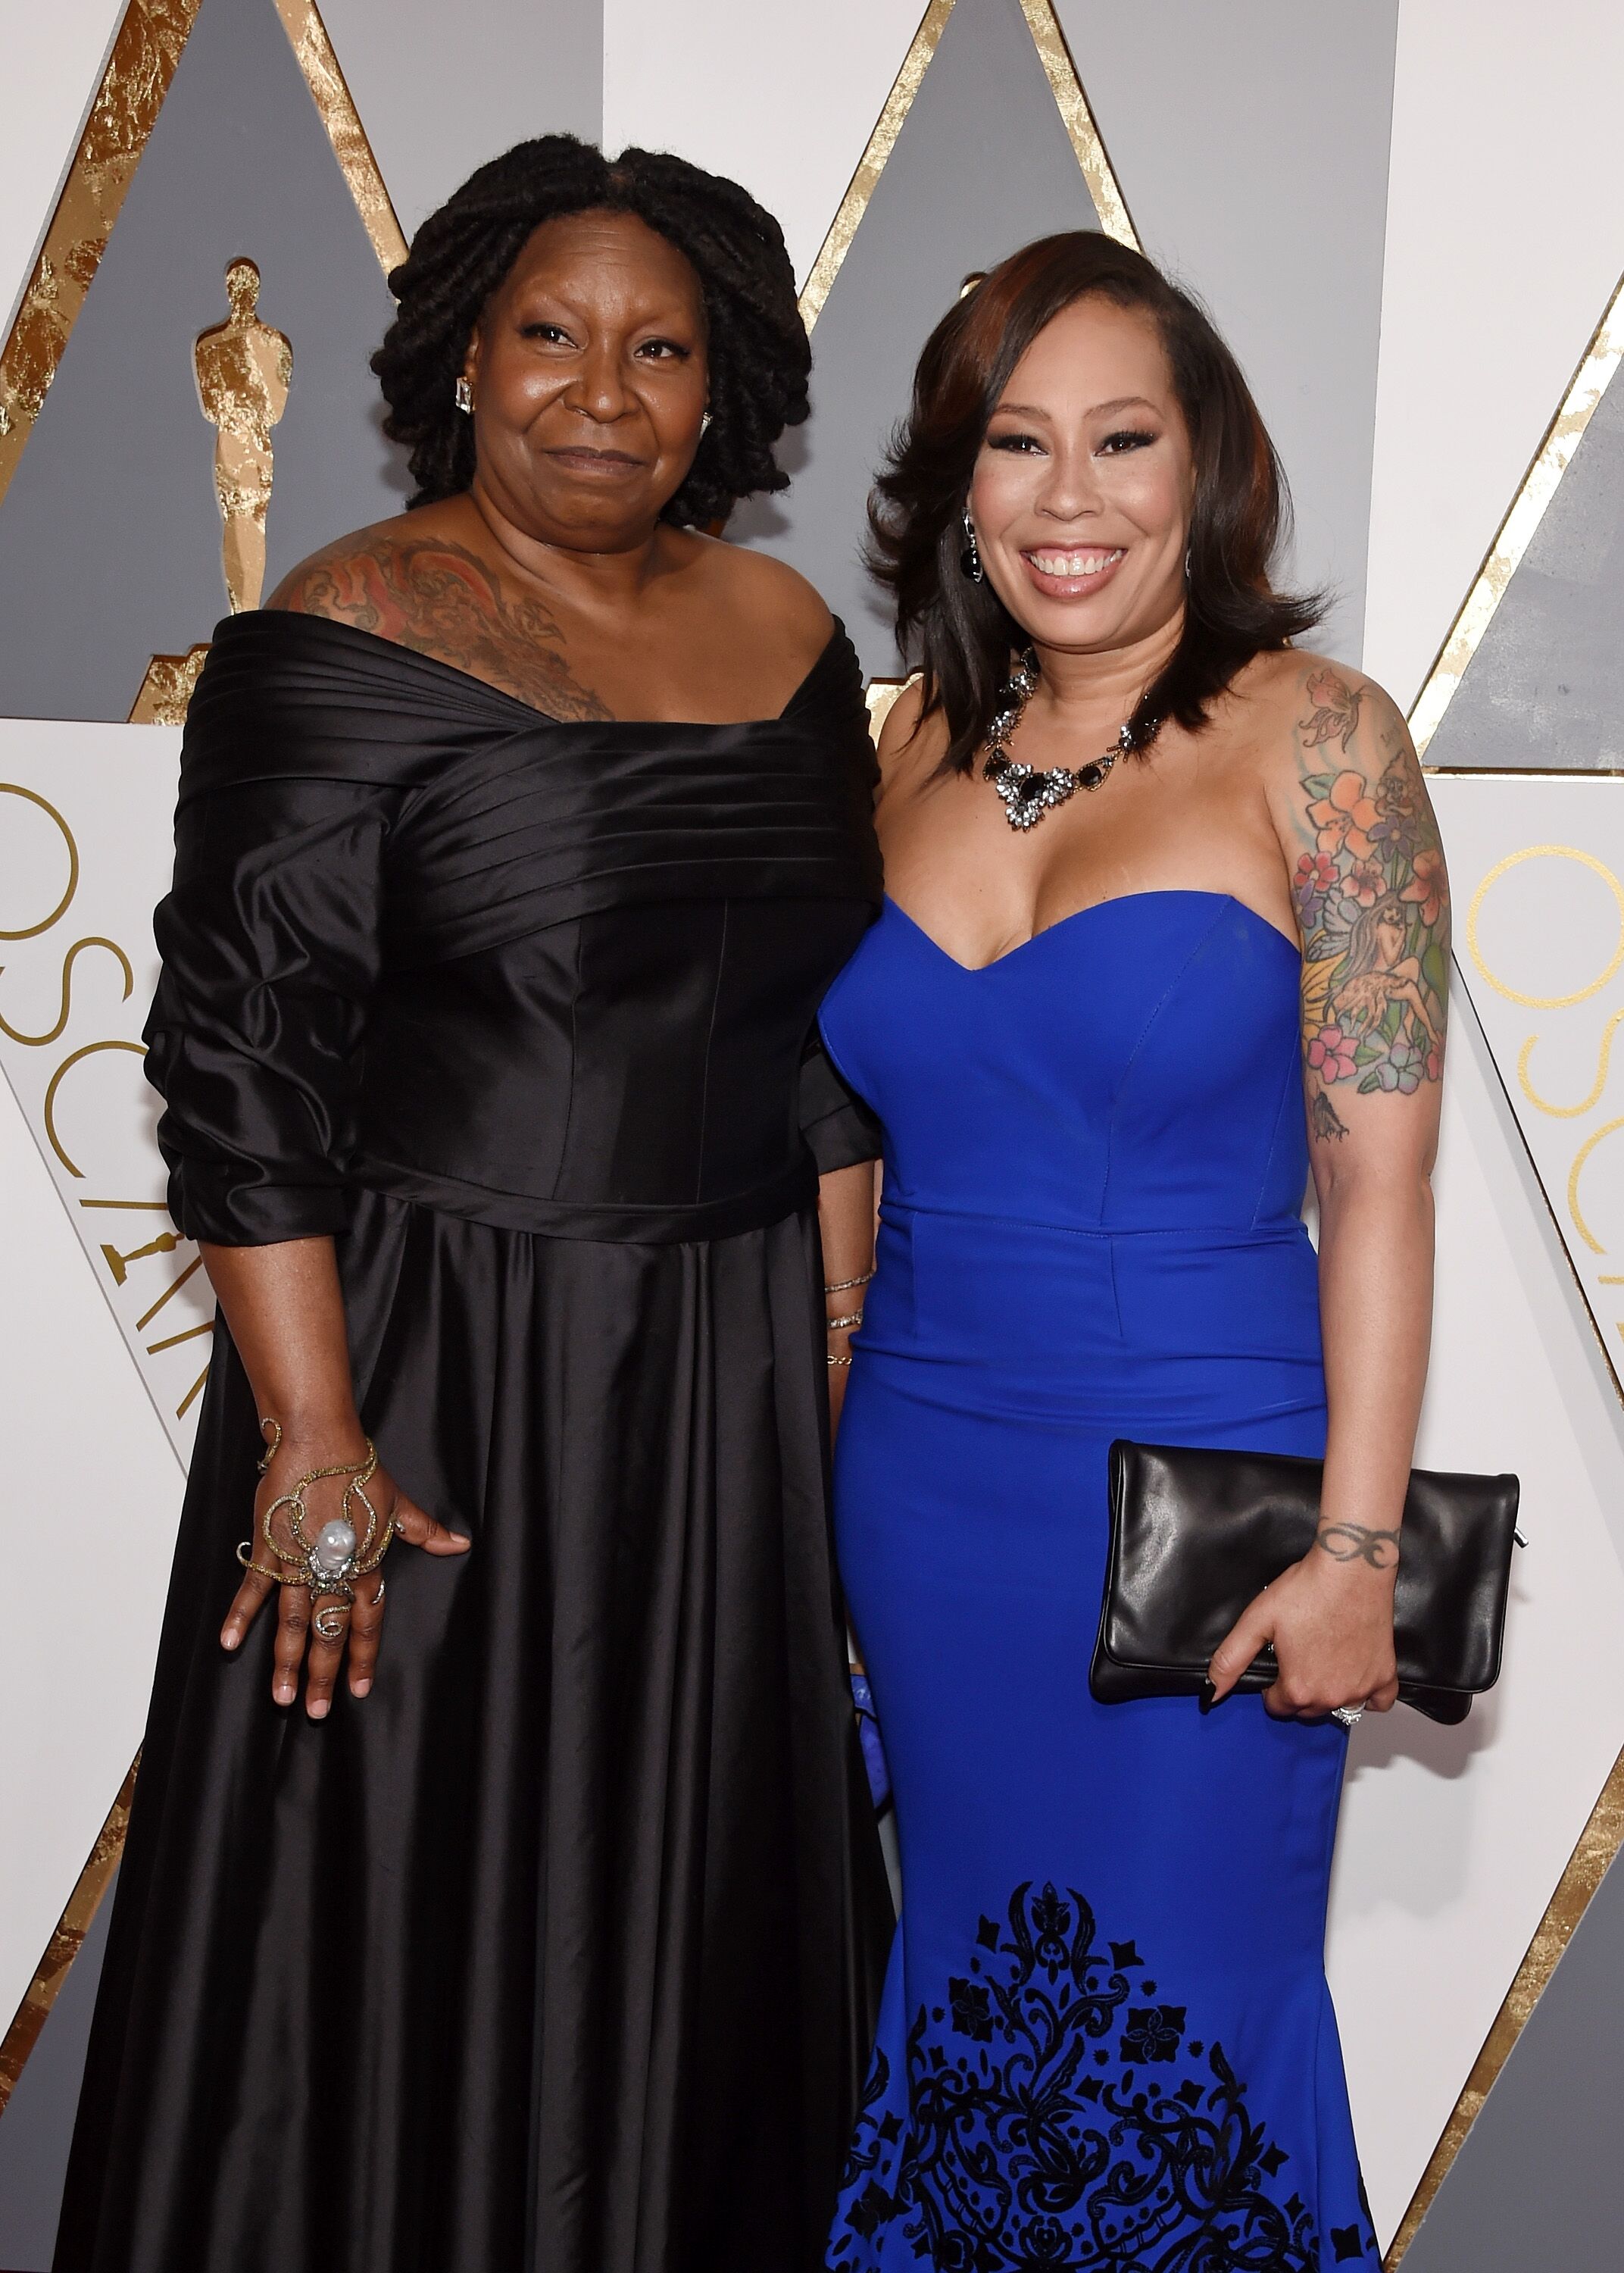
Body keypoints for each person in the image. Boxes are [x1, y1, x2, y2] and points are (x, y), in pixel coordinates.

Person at [55, 135, 891, 2273]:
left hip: (717, 1400)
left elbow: (821, 1038)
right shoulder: (347, 620)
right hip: (434, 1376)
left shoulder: (796, 640)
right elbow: (242, 1069)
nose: (599, 391)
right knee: (399, 1915)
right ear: (460, 361)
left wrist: (822, 1363)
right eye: (548, 335)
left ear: (727, 393)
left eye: (658, 349)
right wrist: (317, 1438)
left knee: (697, 1920)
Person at [816, 232, 1447, 2271]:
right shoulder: (900, 746)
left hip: (1207, 1519)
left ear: (1210, 470)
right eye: (1016, 443)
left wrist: (1360, 1552)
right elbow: (861, 1152)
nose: (1067, 499)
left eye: (1121, 440)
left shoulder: (1321, 745)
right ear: (954, 480)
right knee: (969, 2037)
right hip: (924, 1506)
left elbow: (1378, 1187)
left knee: (1178, 2042)